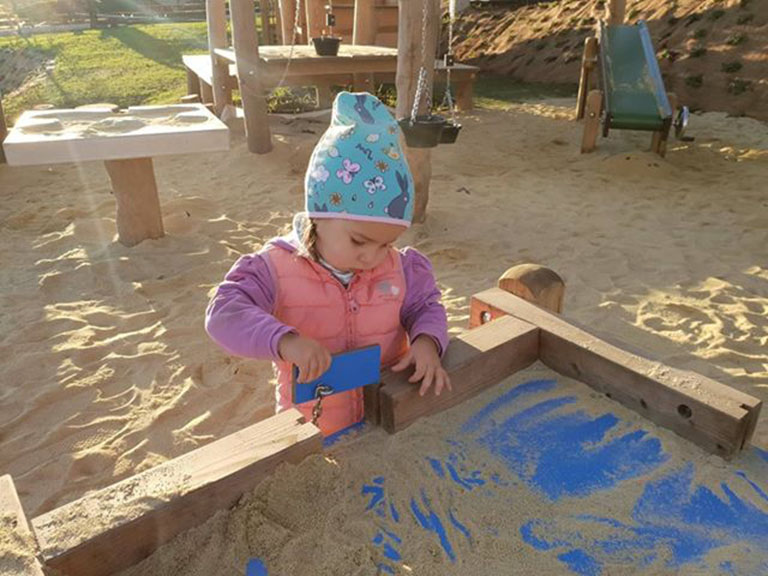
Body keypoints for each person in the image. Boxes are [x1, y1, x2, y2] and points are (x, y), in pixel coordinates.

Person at [205, 92, 450, 436]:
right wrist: (285, 341)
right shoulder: (274, 268)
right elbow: (224, 313)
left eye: (387, 243)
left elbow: (426, 305)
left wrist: (427, 341)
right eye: (359, 241)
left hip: (384, 422)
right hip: (309, 425)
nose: (373, 257)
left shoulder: (402, 268)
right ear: (319, 217)